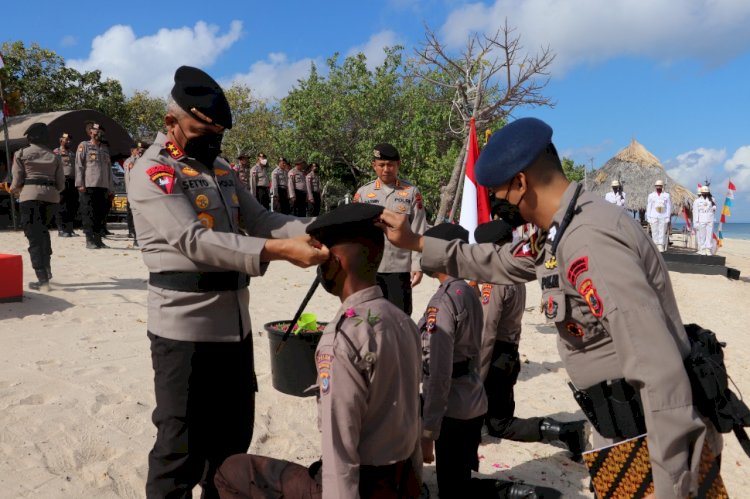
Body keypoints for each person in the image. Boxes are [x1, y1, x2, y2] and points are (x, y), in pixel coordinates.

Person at [378, 117, 722, 499]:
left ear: (521, 183)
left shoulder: (588, 240)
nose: (499, 206)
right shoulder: (559, 232)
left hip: (651, 441)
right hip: (623, 428)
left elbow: (657, 369)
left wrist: (671, 486)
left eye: (499, 194)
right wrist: (416, 242)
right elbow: (501, 261)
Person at [127, 65, 328, 499]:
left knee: (232, 441)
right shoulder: (153, 172)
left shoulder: (218, 168)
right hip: (184, 331)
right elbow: (192, 240)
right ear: (171, 122)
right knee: (178, 447)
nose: (213, 140)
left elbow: (261, 219)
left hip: (233, 328)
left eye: (218, 132)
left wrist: (321, 228)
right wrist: (280, 252)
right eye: (203, 129)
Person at [215, 203, 421, 499]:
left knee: (231, 471)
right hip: (400, 481)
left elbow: (340, 448)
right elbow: (413, 414)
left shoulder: (342, 340)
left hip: (363, 485)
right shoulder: (402, 321)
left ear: (334, 263)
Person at [474, 219, 587, 462]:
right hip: (510, 353)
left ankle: (564, 431)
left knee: (499, 425)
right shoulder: (515, 275)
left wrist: (477, 377)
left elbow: (487, 334)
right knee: (499, 415)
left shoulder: (494, 281)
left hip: (495, 357)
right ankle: (565, 431)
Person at [418, 222, 487, 498]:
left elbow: (438, 373)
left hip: (452, 410)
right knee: (461, 479)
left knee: (451, 488)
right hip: (472, 399)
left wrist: (428, 431)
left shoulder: (443, 302)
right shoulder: (468, 291)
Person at [354, 143, 426, 315]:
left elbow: (418, 230)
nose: (386, 169)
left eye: (391, 165)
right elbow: (355, 231)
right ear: (374, 165)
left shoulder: (411, 192)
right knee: (370, 316)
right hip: (370, 266)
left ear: (398, 165)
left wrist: (418, 264)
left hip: (399, 267)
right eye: (381, 165)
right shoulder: (363, 193)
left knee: (400, 317)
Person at [10, 123, 64, 290]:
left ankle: (42, 280)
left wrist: (13, 190)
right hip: (51, 197)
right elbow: (61, 184)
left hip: (30, 196)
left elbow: (17, 180)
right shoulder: (55, 157)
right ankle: (47, 271)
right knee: (44, 232)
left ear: (30, 137)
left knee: (34, 237)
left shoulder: (21, 154)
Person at [75, 121, 114, 249]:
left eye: (100, 131)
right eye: (95, 130)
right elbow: (79, 165)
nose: (98, 132)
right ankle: (89, 239)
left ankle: (98, 239)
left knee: (100, 214)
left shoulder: (104, 148)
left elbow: (109, 170)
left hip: (103, 186)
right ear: (90, 132)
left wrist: (110, 187)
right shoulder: (84, 145)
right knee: (88, 213)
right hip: (89, 185)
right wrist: (80, 183)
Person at [53, 132, 79, 237]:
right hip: (62, 180)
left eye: (69, 140)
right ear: (61, 140)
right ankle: (61, 229)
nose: (68, 141)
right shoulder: (56, 152)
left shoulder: (72, 153)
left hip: (72, 181)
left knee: (72, 206)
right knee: (61, 205)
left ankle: (69, 229)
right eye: (66, 139)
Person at [123, 141, 146, 246]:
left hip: (142, 192)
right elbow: (129, 175)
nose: (139, 151)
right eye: (137, 149)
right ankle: (132, 232)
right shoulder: (129, 161)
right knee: (131, 214)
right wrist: (135, 158)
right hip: (132, 192)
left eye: (140, 150)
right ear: (132, 151)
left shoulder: (143, 160)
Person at [646, 179, 672, 252]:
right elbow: (649, 207)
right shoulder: (651, 195)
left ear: (662, 186)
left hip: (663, 216)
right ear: (655, 186)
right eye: (657, 186)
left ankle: (660, 245)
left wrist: (667, 217)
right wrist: (648, 217)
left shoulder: (666, 195)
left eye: (660, 186)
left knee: (662, 231)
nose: (658, 187)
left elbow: (669, 207)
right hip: (653, 216)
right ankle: (655, 245)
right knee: (654, 231)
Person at [692, 185, 716, 256]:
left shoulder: (712, 199)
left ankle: (708, 249)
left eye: (706, 192)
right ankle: (702, 249)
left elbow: (714, 208)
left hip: (710, 219)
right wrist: (695, 222)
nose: (705, 194)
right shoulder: (697, 201)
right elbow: (695, 212)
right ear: (701, 193)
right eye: (703, 192)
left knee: (709, 235)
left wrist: (714, 208)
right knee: (702, 235)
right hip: (701, 219)